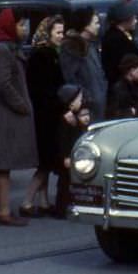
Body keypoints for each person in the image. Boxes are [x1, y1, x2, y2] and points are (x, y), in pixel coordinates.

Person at [0, 8, 38, 227]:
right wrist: (22, 105)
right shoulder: (2, 49)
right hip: (5, 115)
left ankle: (4, 210)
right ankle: (3, 211)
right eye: (21, 25)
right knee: (3, 163)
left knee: (5, 164)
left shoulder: (11, 47)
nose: (25, 29)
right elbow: (2, 83)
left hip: (10, 112)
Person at [21, 15, 65, 218]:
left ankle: (43, 200)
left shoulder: (48, 53)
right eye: (58, 33)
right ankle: (27, 201)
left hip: (47, 112)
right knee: (47, 161)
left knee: (46, 160)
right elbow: (46, 88)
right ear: (47, 34)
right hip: (46, 114)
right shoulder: (44, 56)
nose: (61, 36)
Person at [59, 9, 107, 122]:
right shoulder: (72, 47)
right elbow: (70, 78)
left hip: (98, 104)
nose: (99, 26)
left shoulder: (90, 45)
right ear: (86, 25)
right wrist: (84, 100)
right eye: (96, 23)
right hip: (86, 108)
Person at [54, 84, 90, 219]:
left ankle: (69, 204)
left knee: (70, 182)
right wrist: (65, 156)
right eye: (78, 99)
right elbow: (63, 138)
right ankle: (61, 209)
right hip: (68, 155)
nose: (80, 101)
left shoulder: (74, 115)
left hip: (73, 154)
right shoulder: (66, 118)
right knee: (64, 183)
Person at [101, 0, 138, 86]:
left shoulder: (125, 34)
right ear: (125, 20)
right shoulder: (115, 40)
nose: (136, 21)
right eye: (134, 18)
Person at [106, 54, 138, 119]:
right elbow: (112, 113)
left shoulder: (135, 86)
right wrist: (129, 112)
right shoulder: (119, 89)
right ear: (132, 71)